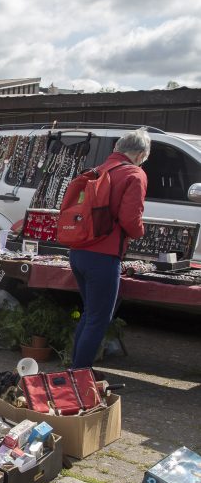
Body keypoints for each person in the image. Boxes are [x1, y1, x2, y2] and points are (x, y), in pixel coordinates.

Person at [70, 128, 149, 369]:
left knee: (90, 314)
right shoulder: (135, 174)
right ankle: (79, 375)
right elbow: (130, 219)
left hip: (78, 251)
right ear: (140, 154)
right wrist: (139, 233)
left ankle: (75, 369)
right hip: (103, 256)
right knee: (98, 318)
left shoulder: (99, 169)